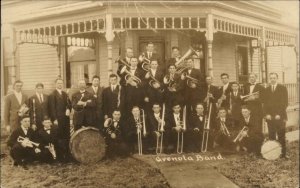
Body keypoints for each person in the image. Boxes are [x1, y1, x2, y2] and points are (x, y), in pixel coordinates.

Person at [264, 72, 289, 158]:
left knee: (281, 135)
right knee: (271, 135)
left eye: (274, 78)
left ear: (277, 78)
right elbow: (265, 104)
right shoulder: (266, 90)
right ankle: (273, 154)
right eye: (271, 78)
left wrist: (279, 114)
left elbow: (285, 103)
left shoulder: (283, 88)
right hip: (270, 117)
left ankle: (283, 154)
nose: (272, 79)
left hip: (280, 116)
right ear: (269, 79)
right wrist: (266, 114)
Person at [48, 78, 71, 162]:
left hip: (65, 119)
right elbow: (52, 108)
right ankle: (59, 156)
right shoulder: (52, 95)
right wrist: (54, 119)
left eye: (61, 83)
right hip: (58, 120)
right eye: (58, 83)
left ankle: (67, 155)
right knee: (59, 137)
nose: (60, 85)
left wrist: (69, 109)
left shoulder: (65, 94)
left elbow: (69, 104)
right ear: (55, 84)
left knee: (66, 136)